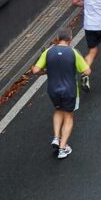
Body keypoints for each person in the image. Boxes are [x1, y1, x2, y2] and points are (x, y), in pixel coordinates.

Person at [30, 31, 90, 159]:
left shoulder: (48, 52)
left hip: (53, 89)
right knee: (68, 116)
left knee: (58, 110)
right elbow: (87, 71)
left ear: (57, 38)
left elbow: (35, 70)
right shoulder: (73, 52)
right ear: (70, 39)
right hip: (70, 90)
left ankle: (56, 137)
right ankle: (62, 148)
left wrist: (47, 71)